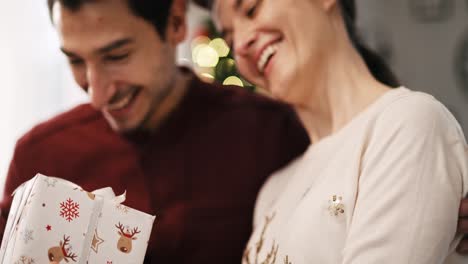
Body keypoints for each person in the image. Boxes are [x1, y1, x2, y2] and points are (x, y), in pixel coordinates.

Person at [0, 0, 310, 263]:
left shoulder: (272, 134)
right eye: (76, 61)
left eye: (117, 56)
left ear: (176, 22)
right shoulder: (39, 158)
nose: (97, 94)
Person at [196, 0, 468, 262]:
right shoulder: (272, 191)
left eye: (251, 8)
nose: (241, 44)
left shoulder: (409, 125)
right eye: (230, 39)